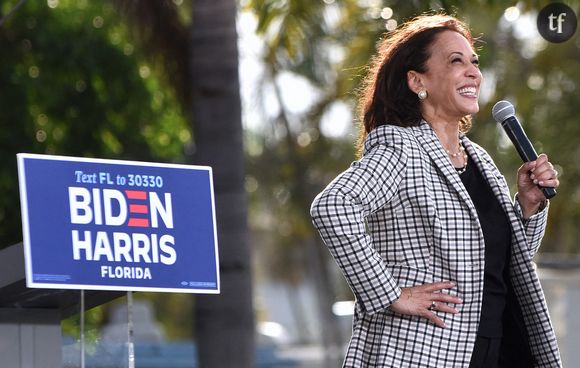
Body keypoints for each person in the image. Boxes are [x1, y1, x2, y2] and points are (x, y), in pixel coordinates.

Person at [310, 14, 562, 368]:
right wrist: (390, 294)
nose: (473, 71)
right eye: (456, 61)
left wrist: (527, 207)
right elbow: (333, 207)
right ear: (417, 81)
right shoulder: (400, 148)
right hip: (424, 351)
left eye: (474, 61)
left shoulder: (479, 159)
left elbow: (500, 261)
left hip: (501, 346)